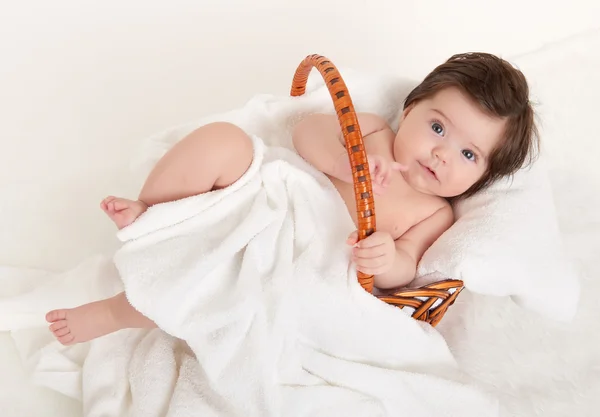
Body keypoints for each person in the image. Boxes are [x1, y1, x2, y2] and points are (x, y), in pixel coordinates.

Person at [46, 52, 539, 345]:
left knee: (223, 285)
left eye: (469, 154)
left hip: (294, 257)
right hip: (261, 200)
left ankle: (116, 312)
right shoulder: (373, 131)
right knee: (222, 141)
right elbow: (307, 137)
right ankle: (156, 212)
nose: (441, 153)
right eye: (437, 127)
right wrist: (351, 162)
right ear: (410, 108)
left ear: (482, 178)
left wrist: (387, 257)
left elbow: (407, 268)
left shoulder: (434, 213)